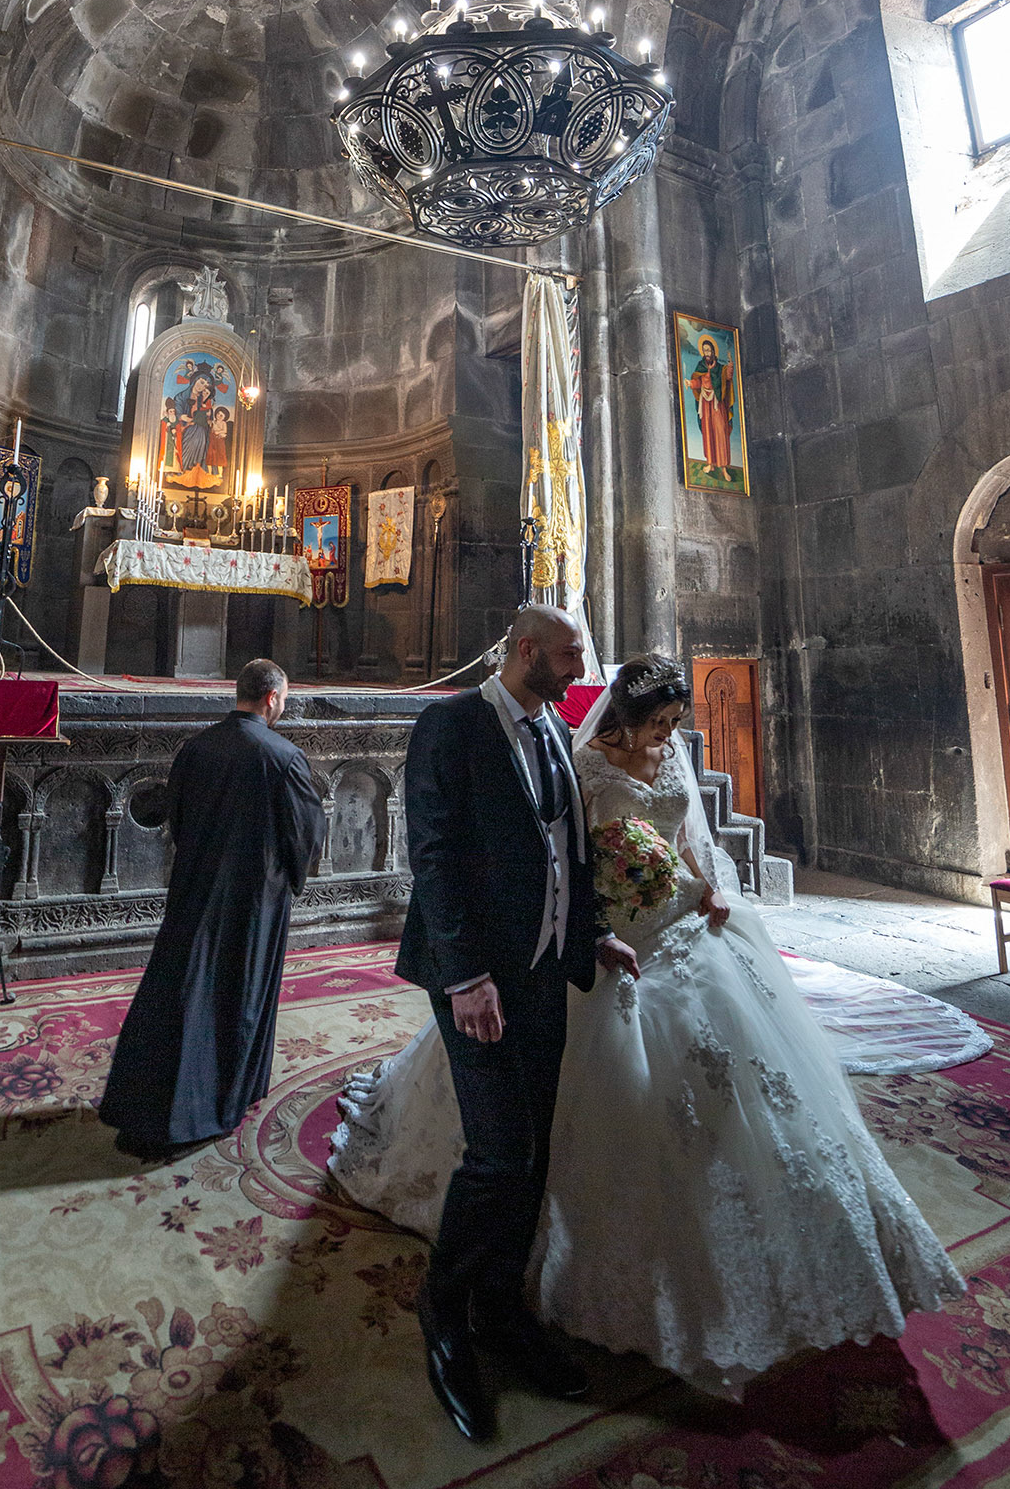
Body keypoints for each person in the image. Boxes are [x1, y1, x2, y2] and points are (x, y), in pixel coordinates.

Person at [332, 653, 964, 1406]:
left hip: (680, 928)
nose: (666, 737)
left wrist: (704, 884)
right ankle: (473, 1298)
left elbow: (682, 833)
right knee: (537, 1129)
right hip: (608, 939)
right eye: (657, 724)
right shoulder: (578, 765)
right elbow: (556, 860)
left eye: (672, 724)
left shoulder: (662, 760)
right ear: (621, 718)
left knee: (741, 1087)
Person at [390, 606, 638, 1442]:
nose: (579, 670)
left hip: (542, 974)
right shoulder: (452, 723)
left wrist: (593, 930)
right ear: (526, 650)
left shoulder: (551, 732)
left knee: (529, 1146)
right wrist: (463, 975)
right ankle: (445, 1310)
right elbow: (433, 853)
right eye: (569, 655)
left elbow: (565, 850)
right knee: (499, 1153)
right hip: (477, 978)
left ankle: (501, 1308)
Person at [99, 659, 324, 1165]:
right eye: (283, 699)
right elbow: (305, 834)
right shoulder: (285, 756)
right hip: (253, 898)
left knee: (178, 988)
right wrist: (291, 878)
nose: (283, 707)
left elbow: (175, 820)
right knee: (235, 994)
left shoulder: (195, 748)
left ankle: (150, 1105)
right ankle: (214, 1105)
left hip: (196, 886)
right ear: (271, 698)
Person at [687, 335, 735, 479]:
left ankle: (724, 467)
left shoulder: (720, 368)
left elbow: (728, 377)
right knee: (708, 432)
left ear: (713, 351)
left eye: (709, 350)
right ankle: (710, 462)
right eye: (704, 350)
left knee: (720, 432)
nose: (707, 353)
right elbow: (698, 382)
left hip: (717, 402)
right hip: (705, 403)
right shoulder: (701, 366)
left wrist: (731, 365)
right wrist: (691, 384)